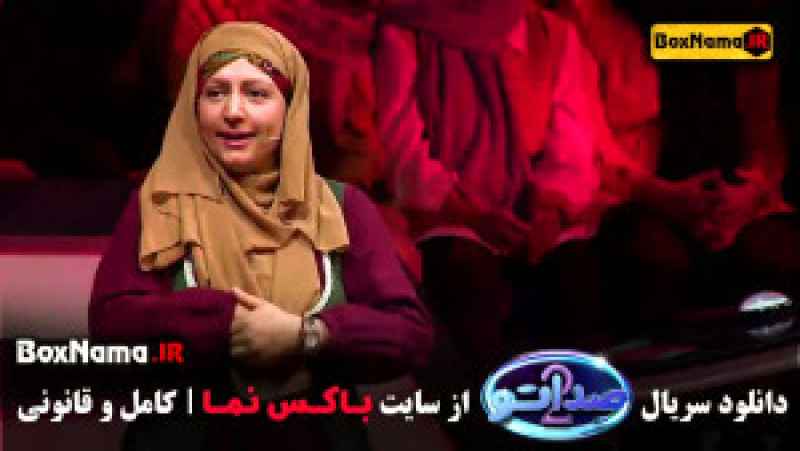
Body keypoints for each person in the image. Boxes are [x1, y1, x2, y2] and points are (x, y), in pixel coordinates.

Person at [89, 22, 433, 450]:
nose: (233, 111)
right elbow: (111, 328)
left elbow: (409, 334)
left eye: (256, 94)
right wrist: (226, 323)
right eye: (215, 93)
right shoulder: (158, 206)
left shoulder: (342, 208)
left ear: (290, 107)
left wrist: (308, 335)